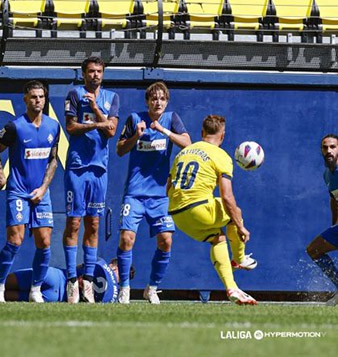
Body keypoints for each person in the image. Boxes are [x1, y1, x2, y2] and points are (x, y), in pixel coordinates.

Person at [166, 115, 258, 306]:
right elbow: (227, 197)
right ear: (222, 135)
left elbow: (168, 187)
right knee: (236, 212)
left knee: (218, 238)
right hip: (199, 208)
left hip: (176, 213)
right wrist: (240, 227)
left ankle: (232, 288)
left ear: (202, 133)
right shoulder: (221, 155)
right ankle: (239, 259)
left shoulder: (184, 152)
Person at [115, 82, 191, 304]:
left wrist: (164, 131)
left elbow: (187, 143)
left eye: (162, 99)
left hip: (160, 196)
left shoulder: (171, 119)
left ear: (167, 102)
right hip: (135, 193)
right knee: (127, 239)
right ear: (147, 101)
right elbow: (120, 150)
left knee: (166, 241)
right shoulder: (134, 119)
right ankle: (125, 288)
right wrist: (136, 137)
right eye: (154, 98)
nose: (158, 102)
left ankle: (152, 287)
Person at [0, 81, 60, 303]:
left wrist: (43, 188)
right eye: (33, 97)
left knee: (45, 241)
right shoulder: (14, 127)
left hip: (41, 193)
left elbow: (53, 160)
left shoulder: (53, 126)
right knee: (15, 240)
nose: (37, 100)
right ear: (25, 99)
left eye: (41, 97)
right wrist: (0, 176)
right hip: (18, 191)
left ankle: (35, 290)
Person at [62, 56, 119, 303]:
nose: (95, 75)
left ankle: (87, 281)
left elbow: (112, 131)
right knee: (74, 223)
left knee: (93, 224)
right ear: (84, 74)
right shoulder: (74, 94)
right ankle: (72, 280)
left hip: (99, 169)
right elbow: (71, 127)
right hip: (77, 167)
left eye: (99, 71)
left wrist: (96, 111)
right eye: (91, 71)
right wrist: (98, 124)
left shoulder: (111, 98)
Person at [0, 258, 132, 303]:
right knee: (6, 289)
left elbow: (79, 271)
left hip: (56, 282)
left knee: (6, 289)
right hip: (56, 290)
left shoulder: (100, 264)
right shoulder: (114, 295)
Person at [306, 134, 338, 306]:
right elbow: (334, 199)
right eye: (325, 147)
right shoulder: (327, 175)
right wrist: (334, 224)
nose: (329, 150)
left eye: (333, 147)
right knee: (314, 250)